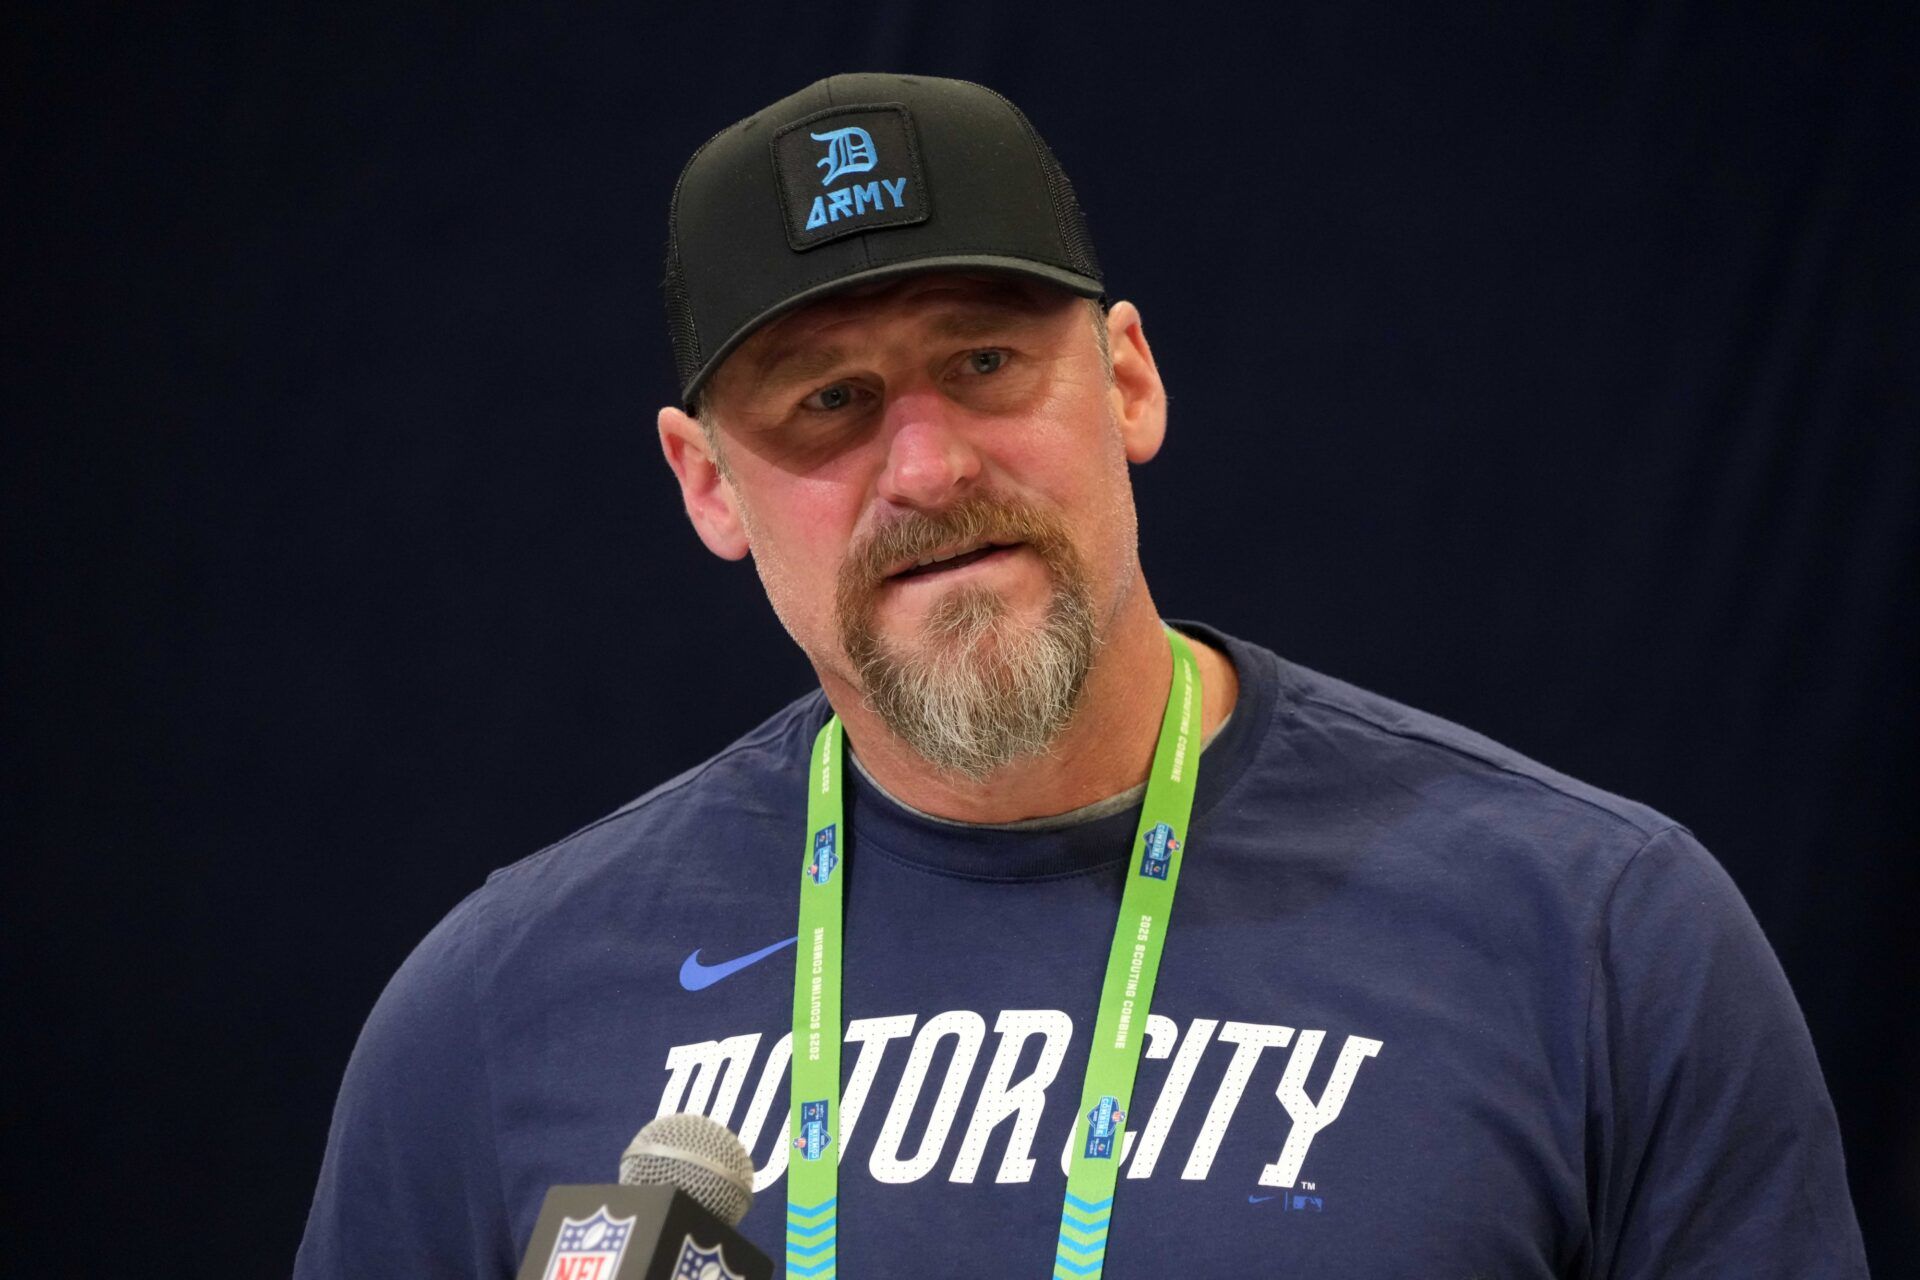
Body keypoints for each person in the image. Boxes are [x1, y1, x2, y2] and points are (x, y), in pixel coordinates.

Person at [296, 73, 1867, 1278]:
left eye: (983, 363)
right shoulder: (492, 1016)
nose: (921, 465)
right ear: (707, 485)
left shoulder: (1599, 937)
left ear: (1125, 380)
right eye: (828, 403)